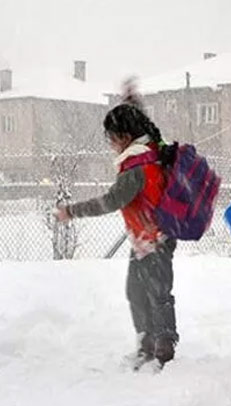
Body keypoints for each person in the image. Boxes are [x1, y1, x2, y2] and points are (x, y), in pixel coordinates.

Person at [53, 101, 178, 369]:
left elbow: (111, 201)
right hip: (146, 239)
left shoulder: (137, 167)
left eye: (110, 138)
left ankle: (163, 351)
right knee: (137, 292)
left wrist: (71, 211)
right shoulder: (151, 150)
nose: (109, 144)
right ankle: (148, 344)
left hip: (155, 239)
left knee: (157, 295)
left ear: (124, 137)